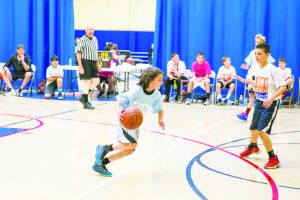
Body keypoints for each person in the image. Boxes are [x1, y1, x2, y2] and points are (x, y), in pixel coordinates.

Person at [92, 67, 165, 177]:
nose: (162, 82)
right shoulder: (137, 90)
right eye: (159, 79)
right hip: (126, 118)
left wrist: (160, 119)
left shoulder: (156, 94)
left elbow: (160, 107)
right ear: (151, 80)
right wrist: (118, 113)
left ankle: (100, 164)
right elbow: (117, 100)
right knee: (132, 144)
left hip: (135, 121)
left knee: (130, 150)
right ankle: (104, 148)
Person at [236, 43, 285, 169]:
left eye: (260, 54)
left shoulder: (273, 69)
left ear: (267, 55)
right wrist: (245, 80)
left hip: (271, 103)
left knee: (261, 131)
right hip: (259, 101)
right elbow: (257, 82)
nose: (257, 56)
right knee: (253, 128)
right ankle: (253, 146)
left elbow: (283, 87)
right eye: (255, 54)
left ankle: (273, 158)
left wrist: (271, 98)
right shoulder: (255, 68)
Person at [237, 34, 275, 121]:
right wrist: (246, 67)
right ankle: (246, 113)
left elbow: (272, 64)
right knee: (251, 94)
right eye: (256, 42)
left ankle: (262, 113)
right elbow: (248, 64)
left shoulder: (265, 54)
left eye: (259, 42)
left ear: (262, 43)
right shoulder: (252, 53)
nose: (257, 43)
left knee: (260, 95)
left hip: (261, 75)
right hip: (252, 75)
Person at [76, 26, 100, 109]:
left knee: (96, 81)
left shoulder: (95, 39)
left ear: (94, 30)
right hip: (85, 61)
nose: (91, 31)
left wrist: (98, 64)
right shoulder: (82, 39)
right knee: (87, 81)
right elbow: (78, 53)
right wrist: (80, 66)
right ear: (85, 30)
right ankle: (86, 102)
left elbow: (96, 52)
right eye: (89, 29)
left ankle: (83, 96)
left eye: (92, 29)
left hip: (93, 62)